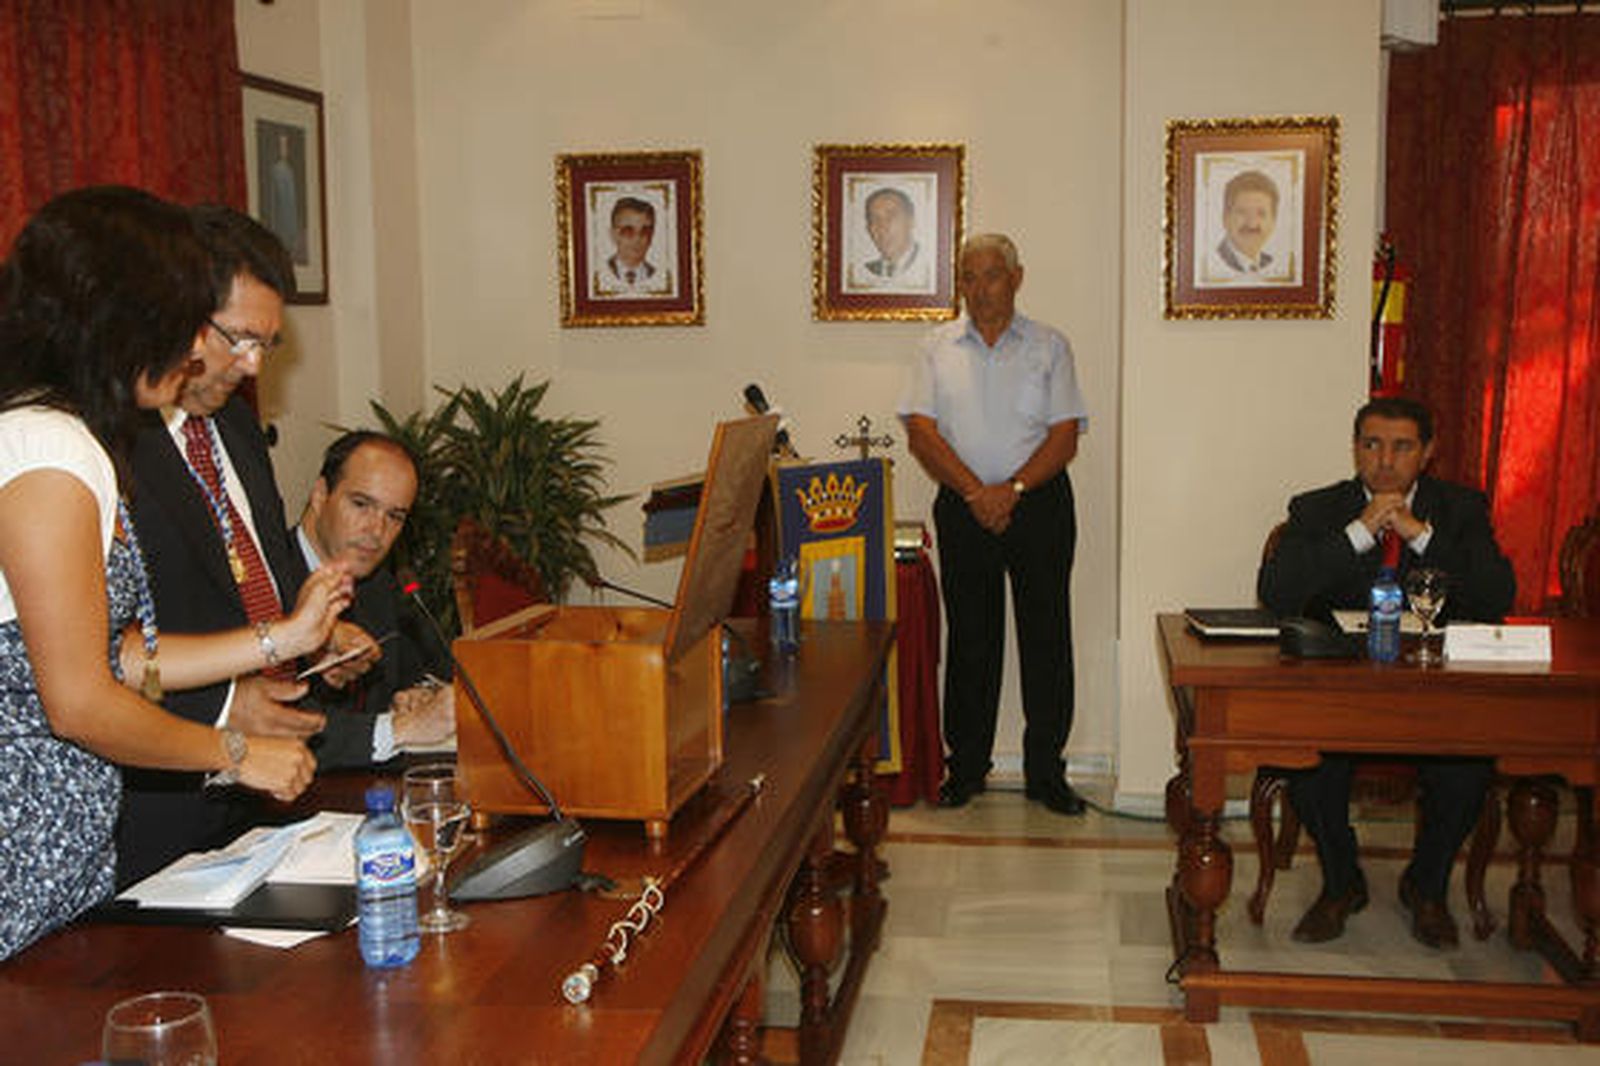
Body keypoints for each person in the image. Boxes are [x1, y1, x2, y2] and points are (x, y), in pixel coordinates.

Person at [0, 186, 345, 959]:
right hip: (19, 861)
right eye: (180, 323)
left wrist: (282, 636)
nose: (196, 355)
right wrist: (235, 751)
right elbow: (82, 703)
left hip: (60, 861)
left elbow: (118, 653)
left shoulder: (63, 438)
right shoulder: (49, 451)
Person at [116, 205, 383, 886]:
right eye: (239, 339)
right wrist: (228, 709)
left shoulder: (235, 425)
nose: (253, 363)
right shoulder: (112, 440)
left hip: (266, 798)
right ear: (177, 312)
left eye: (268, 344)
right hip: (159, 809)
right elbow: (100, 652)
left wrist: (318, 638)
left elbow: (255, 577)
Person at [1258, 396, 1516, 949]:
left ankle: (1425, 887)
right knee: (1310, 762)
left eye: (1401, 447)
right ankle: (1341, 883)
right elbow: (1276, 593)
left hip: (1437, 686)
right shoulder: (1317, 509)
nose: (1384, 461)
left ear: (1427, 453)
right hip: (1342, 687)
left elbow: (1496, 597)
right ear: (1355, 449)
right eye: (1371, 445)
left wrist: (1419, 533)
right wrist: (1358, 531)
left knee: (1466, 770)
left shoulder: (1462, 510)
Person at [898, 233, 1089, 816]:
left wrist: (1013, 489)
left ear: (1017, 278)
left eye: (993, 276)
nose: (981, 289)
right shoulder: (936, 347)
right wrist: (977, 492)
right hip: (962, 505)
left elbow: (1063, 435)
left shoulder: (1051, 346)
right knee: (972, 639)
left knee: (1046, 637)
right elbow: (922, 432)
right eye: (970, 277)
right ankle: (969, 767)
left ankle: (1046, 772)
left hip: (1040, 504)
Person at [295, 430, 454, 744]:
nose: (377, 531)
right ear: (320, 495)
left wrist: (416, 696)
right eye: (361, 504)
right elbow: (278, 723)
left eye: (394, 516)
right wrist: (395, 730)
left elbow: (427, 672)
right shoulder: (263, 579)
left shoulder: (379, 585)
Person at [594, 196, 670, 297]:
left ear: (652, 235)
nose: (637, 239)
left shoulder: (659, 276)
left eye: (645, 231)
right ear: (613, 234)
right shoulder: (601, 274)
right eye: (628, 231)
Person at [1209, 170, 1279, 277]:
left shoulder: (1271, 264)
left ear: (1273, 221)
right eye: (1242, 212)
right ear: (1225, 218)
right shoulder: (1213, 262)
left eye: (1261, 214)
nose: (1252, 223)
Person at [858, 187, 929, 290]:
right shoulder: (864, 272)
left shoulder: (929, 267)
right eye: (874, 219)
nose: (882, 227)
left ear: (911, 221)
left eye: (891, 216)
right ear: (869, 228)